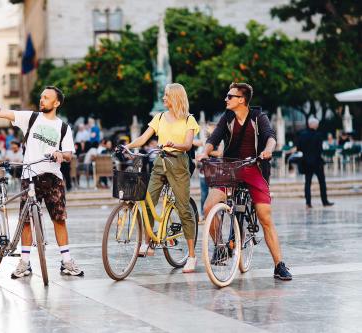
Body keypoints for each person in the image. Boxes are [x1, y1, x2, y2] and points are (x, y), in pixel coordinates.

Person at [0, 86, 84, 278]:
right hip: (30, 176)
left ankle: (67, 261)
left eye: (47, 98)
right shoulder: (31, 118)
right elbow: (1, 111)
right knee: (26, 221)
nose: (42, 100)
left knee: (59, 220)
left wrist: (60, 154)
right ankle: (25, 263)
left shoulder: (63, 127)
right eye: (42, 97)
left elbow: (69, 154)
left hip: (53, 178)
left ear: (57, 103)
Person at [197, 82, 292, 281]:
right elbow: (214, 138)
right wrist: (204, 152)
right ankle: (221, 247)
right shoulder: (227, 118)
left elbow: (270, 137)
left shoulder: (259, 117)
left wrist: (268, 150)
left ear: (242, 99)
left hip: (254, 167)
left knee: (265, 216)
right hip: (230, 168)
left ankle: (279, 265)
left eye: (230, 96)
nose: (226, 99)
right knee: (208, 207)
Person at [124, 83, 199, 273]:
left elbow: (189, 145)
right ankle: (147, 243)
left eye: (166, 96)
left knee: (183, 209)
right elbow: (143, 138)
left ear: (175, 98)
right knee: (147, 200)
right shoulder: (159, 117)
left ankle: (191, 256)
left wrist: (177, 144)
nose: (163, 99)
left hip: (179, 163)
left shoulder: (188, 119)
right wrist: (127, 147)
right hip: (160, 162)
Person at [297, 117, 334, 208]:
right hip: (317, 162)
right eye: (316, 124)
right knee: (322, 182)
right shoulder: (318, 135)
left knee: (307, 183)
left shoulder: (302, 135)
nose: (317, 126)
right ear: (313, 124)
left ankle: (308, 203)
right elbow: (320, 149)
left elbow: (299, 148)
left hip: (306, 162)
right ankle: (324, 201)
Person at [193, 123, 223, 220]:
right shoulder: (205, 141)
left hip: (215, 171)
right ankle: (203, 214)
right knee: (204, 194)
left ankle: (217, 213)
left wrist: (206, 152)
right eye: (206, 128)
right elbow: (195, 142)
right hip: (204, 171)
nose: (207, 130)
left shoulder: (219, 141)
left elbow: (219, 153)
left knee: (216, 193)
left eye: (209, 128)